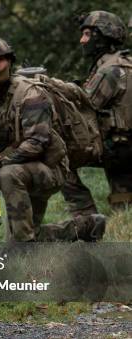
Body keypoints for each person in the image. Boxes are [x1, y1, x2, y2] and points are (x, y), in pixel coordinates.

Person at [0, 37, 106, 242]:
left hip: (49, 168)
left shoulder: (30, 94)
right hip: (24, 168)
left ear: (9, 60)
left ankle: (26, 250)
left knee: (8, 174)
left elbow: (37, 143)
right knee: (22, 236)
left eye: (1, 59)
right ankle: (86, 227)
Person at [78, 11, 132, 211]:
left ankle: (84, 214)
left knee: (56, 154)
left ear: (101, 37)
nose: (82, 40)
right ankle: (123, 213)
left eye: (87, 34)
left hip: (119, 148)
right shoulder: (125, 62)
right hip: (124, 147)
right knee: (123, 201)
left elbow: (84, 111)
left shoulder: (109, 70)